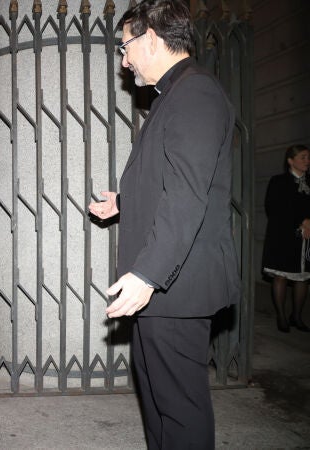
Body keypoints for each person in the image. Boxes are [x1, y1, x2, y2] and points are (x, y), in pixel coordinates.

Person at [87, 1, 240, 448]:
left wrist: (148, 274)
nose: (123, 59)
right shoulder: (178, 93)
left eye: (125, 47)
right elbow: (174, 180)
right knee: (158, 405)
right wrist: (126, 201)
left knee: (180, 411)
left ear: (150, 37)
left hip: (176, 286)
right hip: (165, 289)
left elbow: (188, 194)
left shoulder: (196, 93)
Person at [261, 144, 310, 333]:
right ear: (291, 160)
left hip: (305, 239)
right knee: (281, 276)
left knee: (302, 277)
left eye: (308, 157)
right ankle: (281, 315)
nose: (307, 161)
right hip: (282, 236)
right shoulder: (278, 181)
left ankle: (296, 315)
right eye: (303, 157)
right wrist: (302, 220)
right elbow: (273, 207)